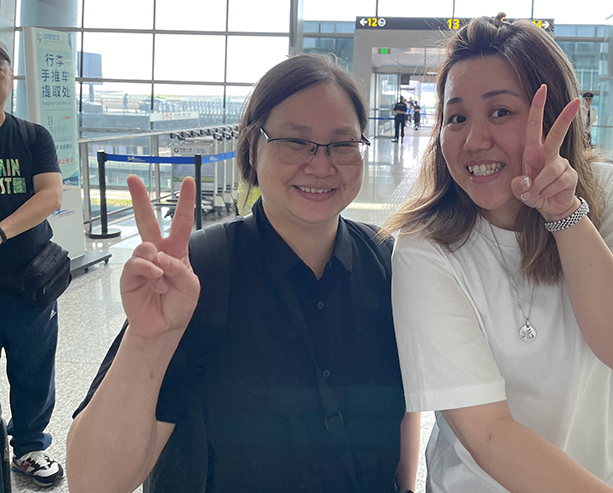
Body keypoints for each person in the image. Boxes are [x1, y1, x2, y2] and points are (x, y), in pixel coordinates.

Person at [67, 54, 419, 493]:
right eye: (295, 141)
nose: (321, 164)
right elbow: (93, 482)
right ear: (253, 148)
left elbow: (404, 406)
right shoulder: (196, 275)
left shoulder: (385, 261)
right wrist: (148, 339)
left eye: (342, 143)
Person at [385, 16, 613, 492]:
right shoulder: (425, 246)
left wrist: (566, 215)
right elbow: (489, 434)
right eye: (456, 118)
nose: (474, 140)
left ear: (555, 116)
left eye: (500, 112)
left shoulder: (606, 193)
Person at [0, 41, 65, 487]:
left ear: (10, 79)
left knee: (34, 367)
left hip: (28, 280)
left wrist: (0, 231)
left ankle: (29, 446)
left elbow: (50, 195)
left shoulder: (32, 136)